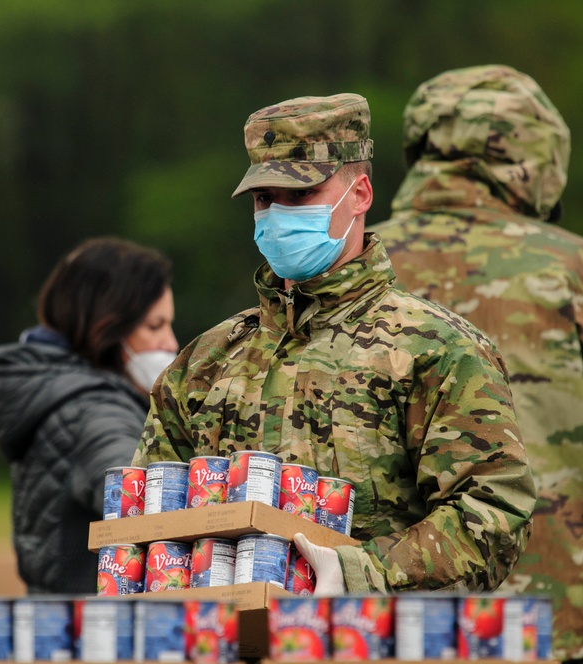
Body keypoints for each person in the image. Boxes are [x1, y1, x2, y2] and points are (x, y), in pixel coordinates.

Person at [131, 93, 537, 595]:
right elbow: (148, 521)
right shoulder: (206, 361)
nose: (277, 215)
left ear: (360, 194)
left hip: (373, 642)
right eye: (264, 199)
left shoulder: (435, 349)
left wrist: (360, 573)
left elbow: (493, 515)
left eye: (299, 196)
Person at [370, 64, 583, 660]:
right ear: (539, 156)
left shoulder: (349, 268)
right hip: (553, 612)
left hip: (388, 613)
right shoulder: (570, 271)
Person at [0, 236, 179, 594]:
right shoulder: (95, 412)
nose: (171, 343)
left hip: (59, 618)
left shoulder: (62, 393)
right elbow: (145, 508)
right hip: (94, 632)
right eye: (154, 326)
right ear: (107, 325)